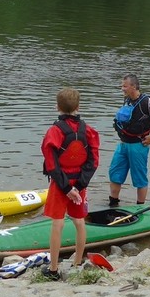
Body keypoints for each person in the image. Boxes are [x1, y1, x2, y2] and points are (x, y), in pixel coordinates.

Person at [40, 87, 100, 280]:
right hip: (79, 183)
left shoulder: (54, 131)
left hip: (61, 184)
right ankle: (77, 262)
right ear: (78, 106)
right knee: (79, 221)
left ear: (57, 107)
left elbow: (52, 164)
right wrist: (79, 187)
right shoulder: (88, 130)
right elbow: (93, 162)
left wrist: (66, 188)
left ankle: (53, 269)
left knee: (57, 223)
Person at [108, 74, 150, 207]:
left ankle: (139, 207)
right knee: (115, 174)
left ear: (134, 87)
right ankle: (113, 204)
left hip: (138, 146)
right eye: (122, 86)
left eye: (125, 86)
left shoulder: (146, 102)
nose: (122, 88)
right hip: (123, 145)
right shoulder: (127, 100)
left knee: (139, 178)